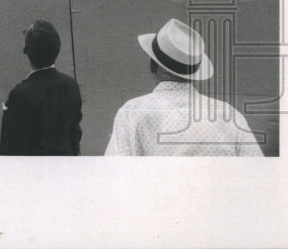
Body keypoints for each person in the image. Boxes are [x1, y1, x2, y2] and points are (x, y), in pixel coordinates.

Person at [105, 18, 262, 156]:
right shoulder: (229, 115)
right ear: (194, 71)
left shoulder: (131, 112)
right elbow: (255, 172)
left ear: (153, 66)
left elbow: (115, 175)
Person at [0, 20, 83, 155]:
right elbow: (75, 136)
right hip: (66, 171)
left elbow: (13, 151)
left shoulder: (20, 94)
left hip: (33, 174)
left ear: (26, 50)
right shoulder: (72, 86)